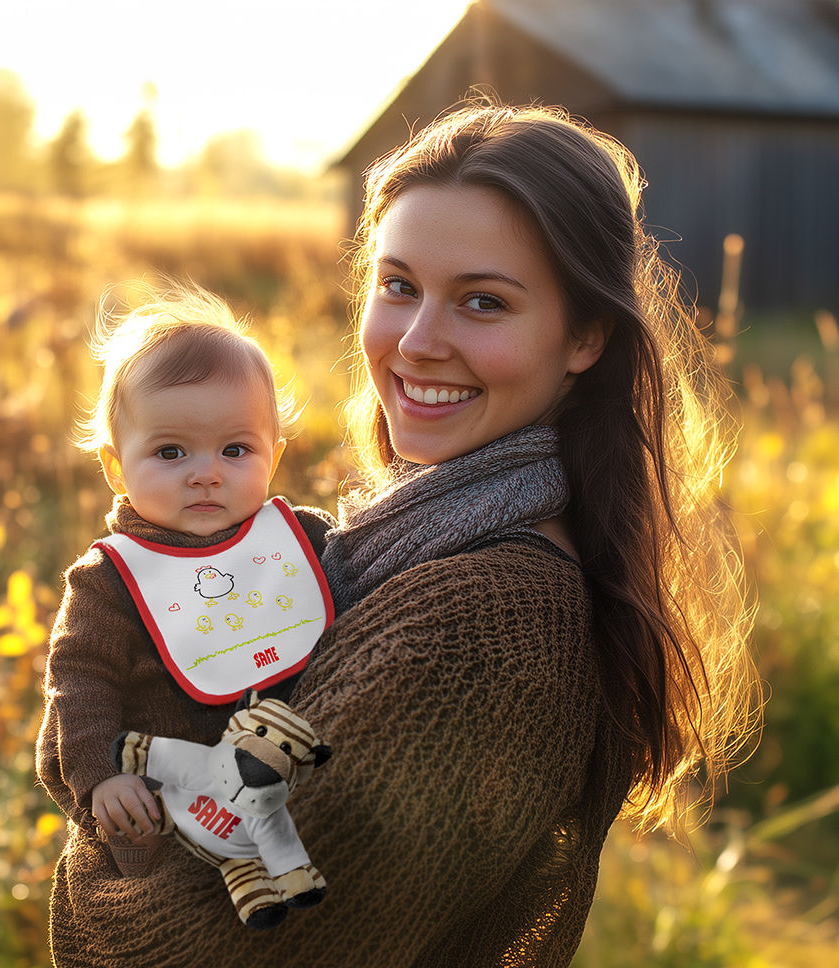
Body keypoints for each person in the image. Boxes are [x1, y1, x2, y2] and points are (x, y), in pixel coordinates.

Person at [41, 102, 758, 967]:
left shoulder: (484, 626)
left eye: (482, 302)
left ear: (584, 336)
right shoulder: (388, 547)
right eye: (397, 285)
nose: (417, 343)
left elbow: (184, 951)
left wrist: (106, 814)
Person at [34, 281, 337, 887]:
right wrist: (102, 778)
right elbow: (79, 684)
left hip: (300, 794)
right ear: (116, 467)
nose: (206, 475)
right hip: (165, 818)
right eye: (171, 452)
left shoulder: (301, 540)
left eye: (234, 449)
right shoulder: (110, 580)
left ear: (273, 456)